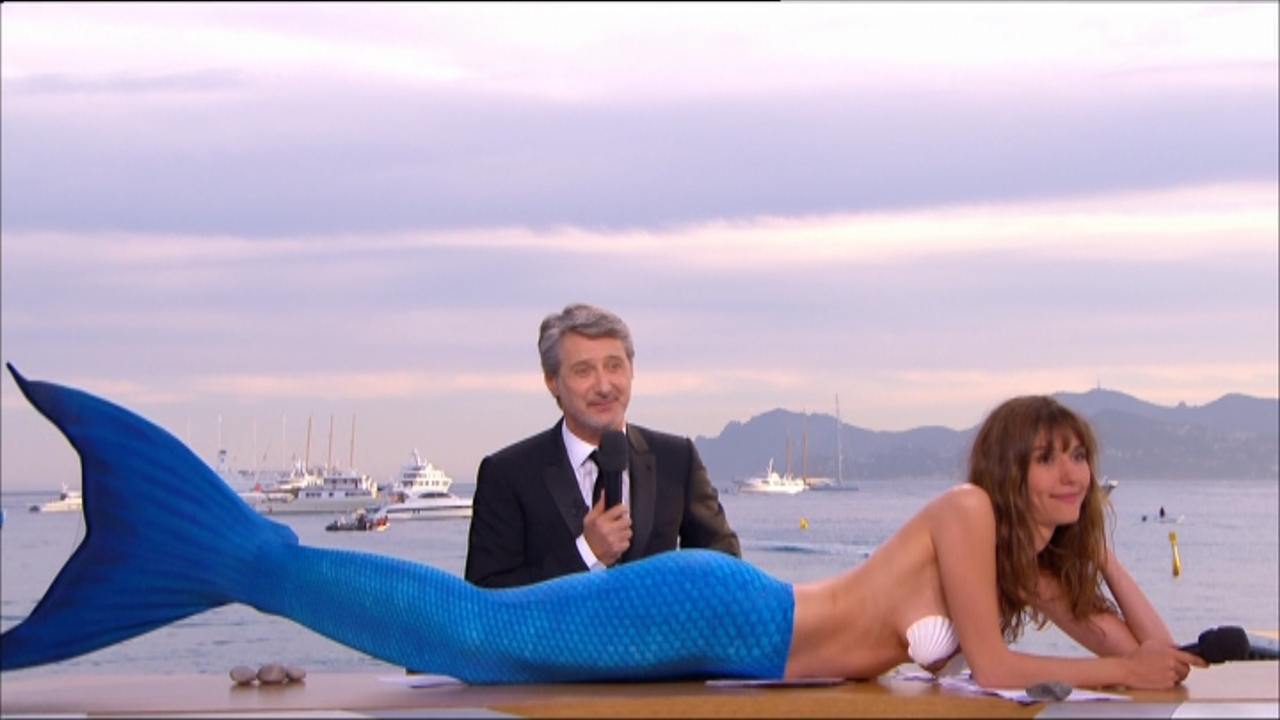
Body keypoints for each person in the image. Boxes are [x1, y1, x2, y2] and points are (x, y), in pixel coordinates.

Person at [0, 367, 1205, 689]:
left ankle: (230, 560)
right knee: (478, 636)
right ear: (1006, 468)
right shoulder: (961, 512)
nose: (1071, 471)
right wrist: (1124, 669)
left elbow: (1138, 661)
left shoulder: (1026, 562)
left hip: (732, 648)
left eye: (1080, 459)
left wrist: (1100, 554)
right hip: (716, 610)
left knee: (483, 646)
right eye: (1049, 457)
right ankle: (238, 557)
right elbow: (994, 667)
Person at [464, 303, 740, 588]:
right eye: (583, 371)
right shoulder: (508, 474)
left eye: (614, 366)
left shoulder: (677, 459)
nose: (604, 386)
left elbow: (725, 566)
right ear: (552, 381)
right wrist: (586, 554)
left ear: (632, 369)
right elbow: (486, 596)